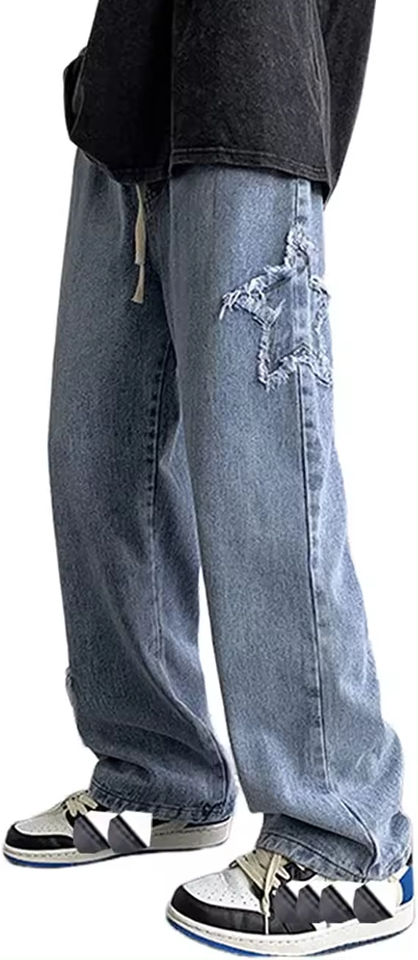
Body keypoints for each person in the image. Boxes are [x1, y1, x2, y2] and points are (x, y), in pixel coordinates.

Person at [4, 1, 413, 954]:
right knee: (93, 449)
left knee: (256, 466)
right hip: (128, 102)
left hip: (249, 80)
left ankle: (345, 835)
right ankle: (159, 770)